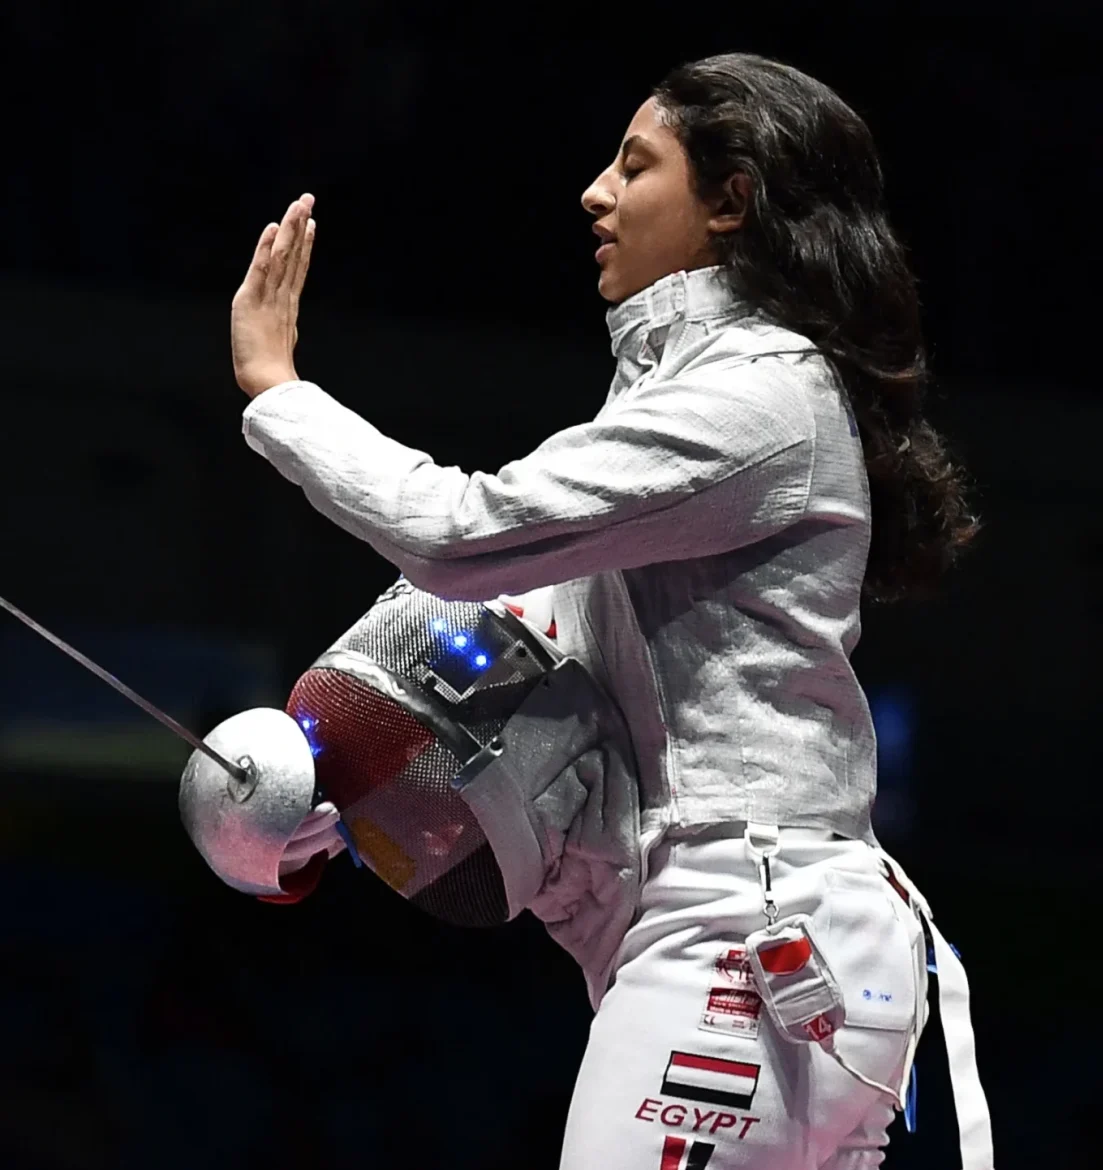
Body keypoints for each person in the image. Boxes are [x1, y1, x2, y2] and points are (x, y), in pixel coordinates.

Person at [229, 52, 991, 1170]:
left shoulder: (759, 396)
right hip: (761, 941)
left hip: (744, 940)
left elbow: (462, 537)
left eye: (636, 166)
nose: (596, 192)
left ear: (731, 201)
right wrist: (337, 797)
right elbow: (525, 649)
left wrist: (278, 393)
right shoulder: (696, 394)